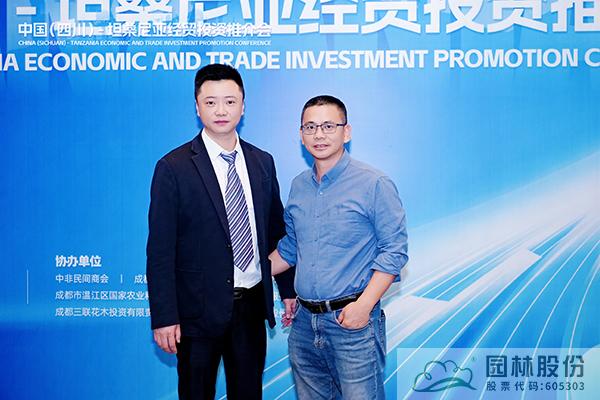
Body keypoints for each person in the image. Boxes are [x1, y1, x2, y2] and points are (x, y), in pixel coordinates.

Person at [146, 63, 296, 400]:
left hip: (251, 307)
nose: (221, 110)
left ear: (243, 106)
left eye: (230, 101)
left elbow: (276, 230)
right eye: (210, 102)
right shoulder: (173, 167)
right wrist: (164, 317)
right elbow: (160, 251)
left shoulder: (262, 161)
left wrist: (288, 289)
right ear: (197, 107)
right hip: (196, 313)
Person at [270, 95, 408, 399]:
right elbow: (290, 249)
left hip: (352, 323)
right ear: (301, 135)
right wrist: (239, 273)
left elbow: (394, 251)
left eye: (328, 126)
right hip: (304, 326)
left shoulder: (374, 183)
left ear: (346, 132)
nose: (319, 134)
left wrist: (364, 306)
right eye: (310, 127)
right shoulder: (298, 186)